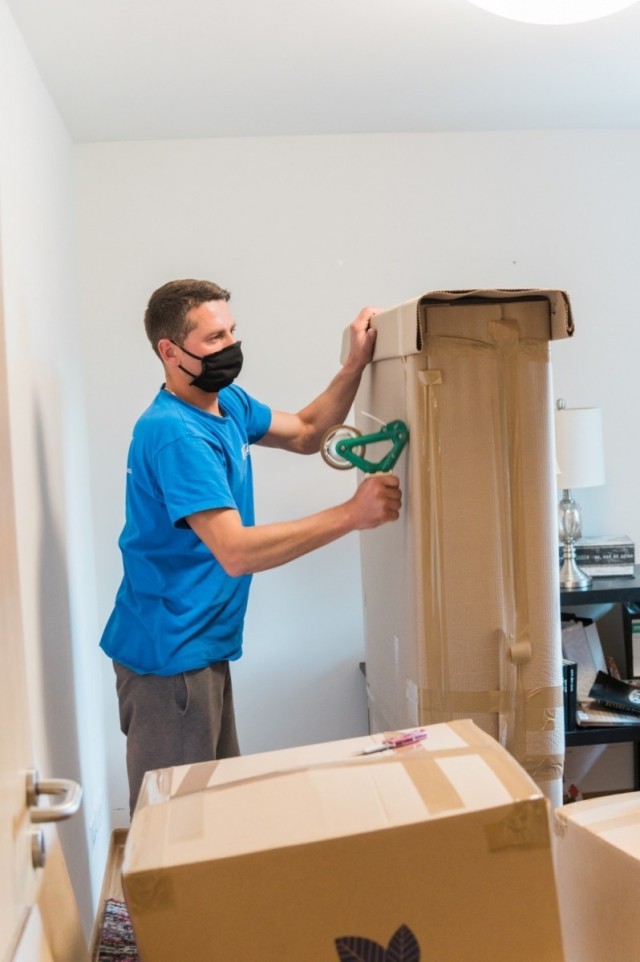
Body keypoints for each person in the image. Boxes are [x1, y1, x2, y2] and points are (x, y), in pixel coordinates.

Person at [99, 278, 402, 814]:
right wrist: (351, 514)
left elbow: (308, 431)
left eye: (232, 332)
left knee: (214, 818)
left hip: (201, 646)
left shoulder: (227, 404)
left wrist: (354, 364)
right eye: (214, 338)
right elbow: (234, 550)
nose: (231, 347)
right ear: (170, 352)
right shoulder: (176, 435)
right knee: (174, 829)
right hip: (169, 662)